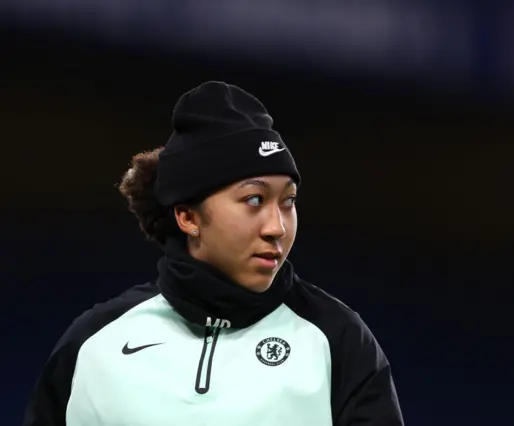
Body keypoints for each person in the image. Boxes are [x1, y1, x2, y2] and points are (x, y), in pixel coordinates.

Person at [22, 81, 404, 426]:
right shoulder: (94, 344)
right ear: (189, 217)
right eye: (253, 200)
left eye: (287, 201)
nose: (278, 227)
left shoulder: (338, 341)